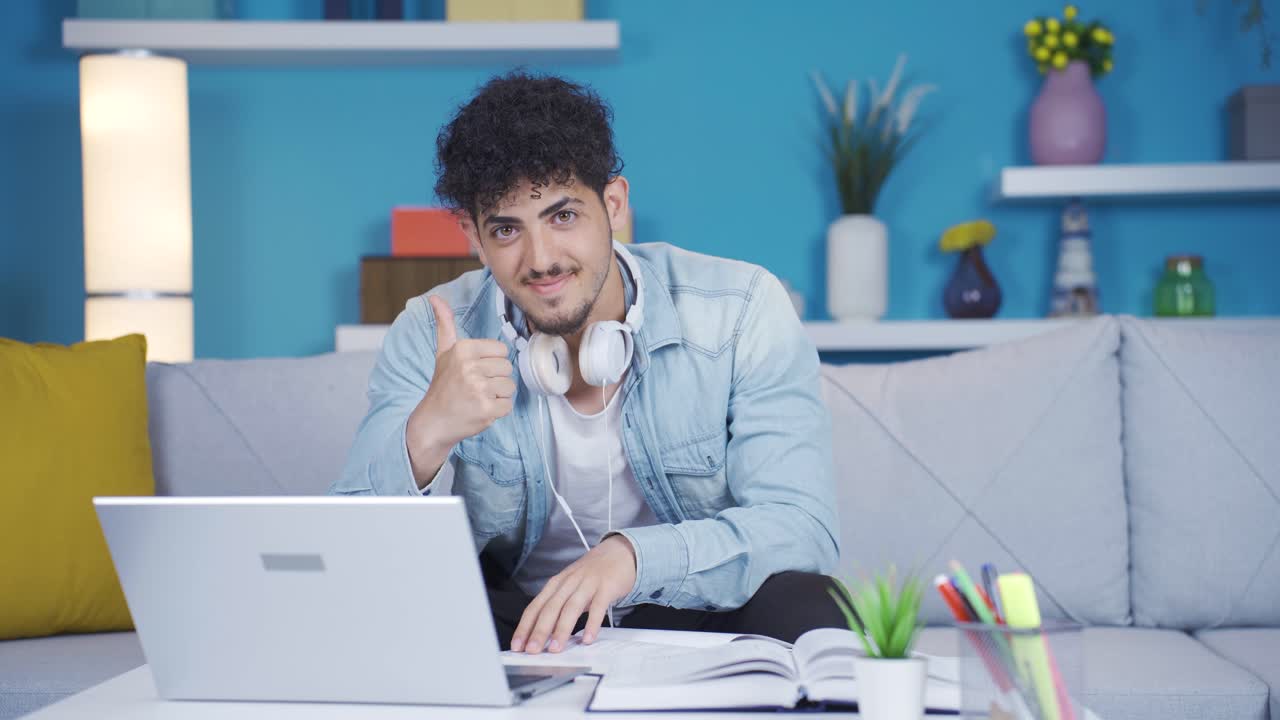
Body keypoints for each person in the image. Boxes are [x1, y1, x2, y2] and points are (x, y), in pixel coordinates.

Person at [330, 71, 843, 655]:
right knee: (387, 616)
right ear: (474, 235)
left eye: (563, 216)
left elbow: (802, 527)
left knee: (813, 603)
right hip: (523, 622)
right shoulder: (432, 331)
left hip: (687, 609)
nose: (541, 259)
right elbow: (352, 555)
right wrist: (427, 432)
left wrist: (631, 559)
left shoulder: (742, 308)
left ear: (614, 204)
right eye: (506, 229)